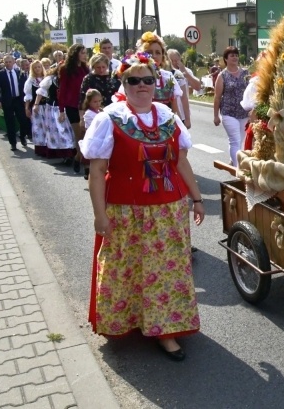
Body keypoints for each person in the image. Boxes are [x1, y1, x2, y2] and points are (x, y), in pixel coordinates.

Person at [79, 53, 203, 361]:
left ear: (156, 82)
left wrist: (197, 198)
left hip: (168, 211)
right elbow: (96, 172)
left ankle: (166, 331)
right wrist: (99, 215)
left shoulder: (167, 116)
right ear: (123, 83)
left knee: (165, 272)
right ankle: (132, 320)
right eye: (133, 80)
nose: (142, 86)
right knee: (129, 269)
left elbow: (182, 162)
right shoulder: (110, 118)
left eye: (148, 79)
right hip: (125, 212)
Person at [212, 46, 249, 167]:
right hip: (228, 112)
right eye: (232, 55)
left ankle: (233, 160)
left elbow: (252, 91)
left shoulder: (245, 73)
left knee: (239, 141)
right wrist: (216, 116)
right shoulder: (222, 76)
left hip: (244, 113)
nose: (235, 57)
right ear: (226, 59)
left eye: (236, 55)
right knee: (235, 141)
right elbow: (217, 97)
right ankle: (238, 169)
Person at [58, 45, 90, 173]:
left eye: (85, 53)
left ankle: (78, 158)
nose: (84, 55)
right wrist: (61, 110)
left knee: (86, 134)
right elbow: (62, 90)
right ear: (75, 54)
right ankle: (85, 164)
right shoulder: (65, 69)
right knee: (79, 136)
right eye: (82, 53)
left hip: (85, 105)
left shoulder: (85, 68)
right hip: (72, 106)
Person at [34, 66, 76, 163]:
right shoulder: (50, 79)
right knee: (58, 131)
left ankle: (70, 153)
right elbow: (41, 92)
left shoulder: (71, 79)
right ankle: (65, 154)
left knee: (69, 131)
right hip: (53, 108)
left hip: (68, 108)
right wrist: (36, 104)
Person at [0, 54, 31, 151]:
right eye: (6, 62)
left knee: (23, 120)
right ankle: (13, 143)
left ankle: (22, 137)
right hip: (7, 100)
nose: (8, 64)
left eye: (10, 62)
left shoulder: (19, 72)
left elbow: (24, 87)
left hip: (18, 100)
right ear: (4, 63)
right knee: (10, 123)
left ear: (14, 62)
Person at [24, 60, 47, 155]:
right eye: (35, 67)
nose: (37, 69)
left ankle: (49, 148)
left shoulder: (46, 79)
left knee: (47, 126)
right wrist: (27, 108)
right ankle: (40, 148)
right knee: (38, 127)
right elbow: (28, 96)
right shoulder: (31, 81)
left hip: (47, 106)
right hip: (36, 107)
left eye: (39, 67)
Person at [80, 88, 102, 180]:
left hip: (100, 137)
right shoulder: (89, 114)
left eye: (99, 101)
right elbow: (90, 128)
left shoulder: (100, 111)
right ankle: (88, 172)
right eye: (95, 102)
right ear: (89, 102)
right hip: (92, 137)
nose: (98, 104)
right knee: (91, 158)